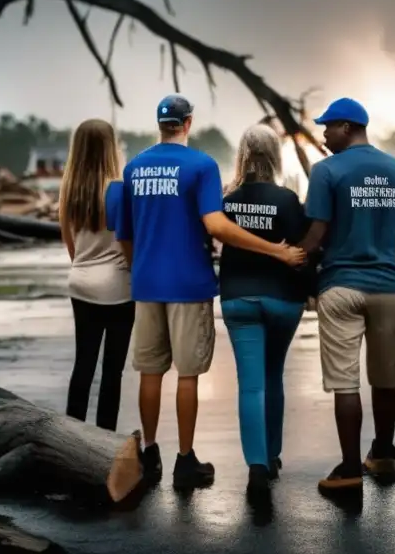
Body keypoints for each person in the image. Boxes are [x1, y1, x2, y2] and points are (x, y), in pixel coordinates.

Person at [113, 94, 306, 491]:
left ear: (159, 123)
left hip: (147, 284)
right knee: (187, 374)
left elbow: (126, 235)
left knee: (150, 371)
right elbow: (216, 226)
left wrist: (140, 269)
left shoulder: (134, 168)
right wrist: (276, 250)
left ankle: (151, 452)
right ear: (188, 123)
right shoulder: (200, 166)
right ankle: (185, 460)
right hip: (188, 283)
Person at [300, 97, 395, 494]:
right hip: (387, 287)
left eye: (328, 126)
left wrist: (301, 273)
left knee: (346, 382)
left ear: (348, 126)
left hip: (340, 286)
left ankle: (350, 468)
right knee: (385, 381)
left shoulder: (327, 171)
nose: (323, 134)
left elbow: (316, 235)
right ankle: (383, 456)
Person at [219, 124, 311, 499]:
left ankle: (257, 465)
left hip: (239, 298)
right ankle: (273, 455)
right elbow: (302, 250)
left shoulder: (227, 199)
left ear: (242, 154)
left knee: (251, 384)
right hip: (282, 299)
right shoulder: (287, 199)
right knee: (274, 375)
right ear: (275, 156)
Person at [59, 118, 133, 432]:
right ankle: (105, 440)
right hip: (117, 287)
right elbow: (127, 242)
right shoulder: (118, 191)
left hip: (81, 283)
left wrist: (87, 266)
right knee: (112, 371)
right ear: (110, 149)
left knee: (83, 366)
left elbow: (71, 245)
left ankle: (72, 437)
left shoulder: (69, 191)